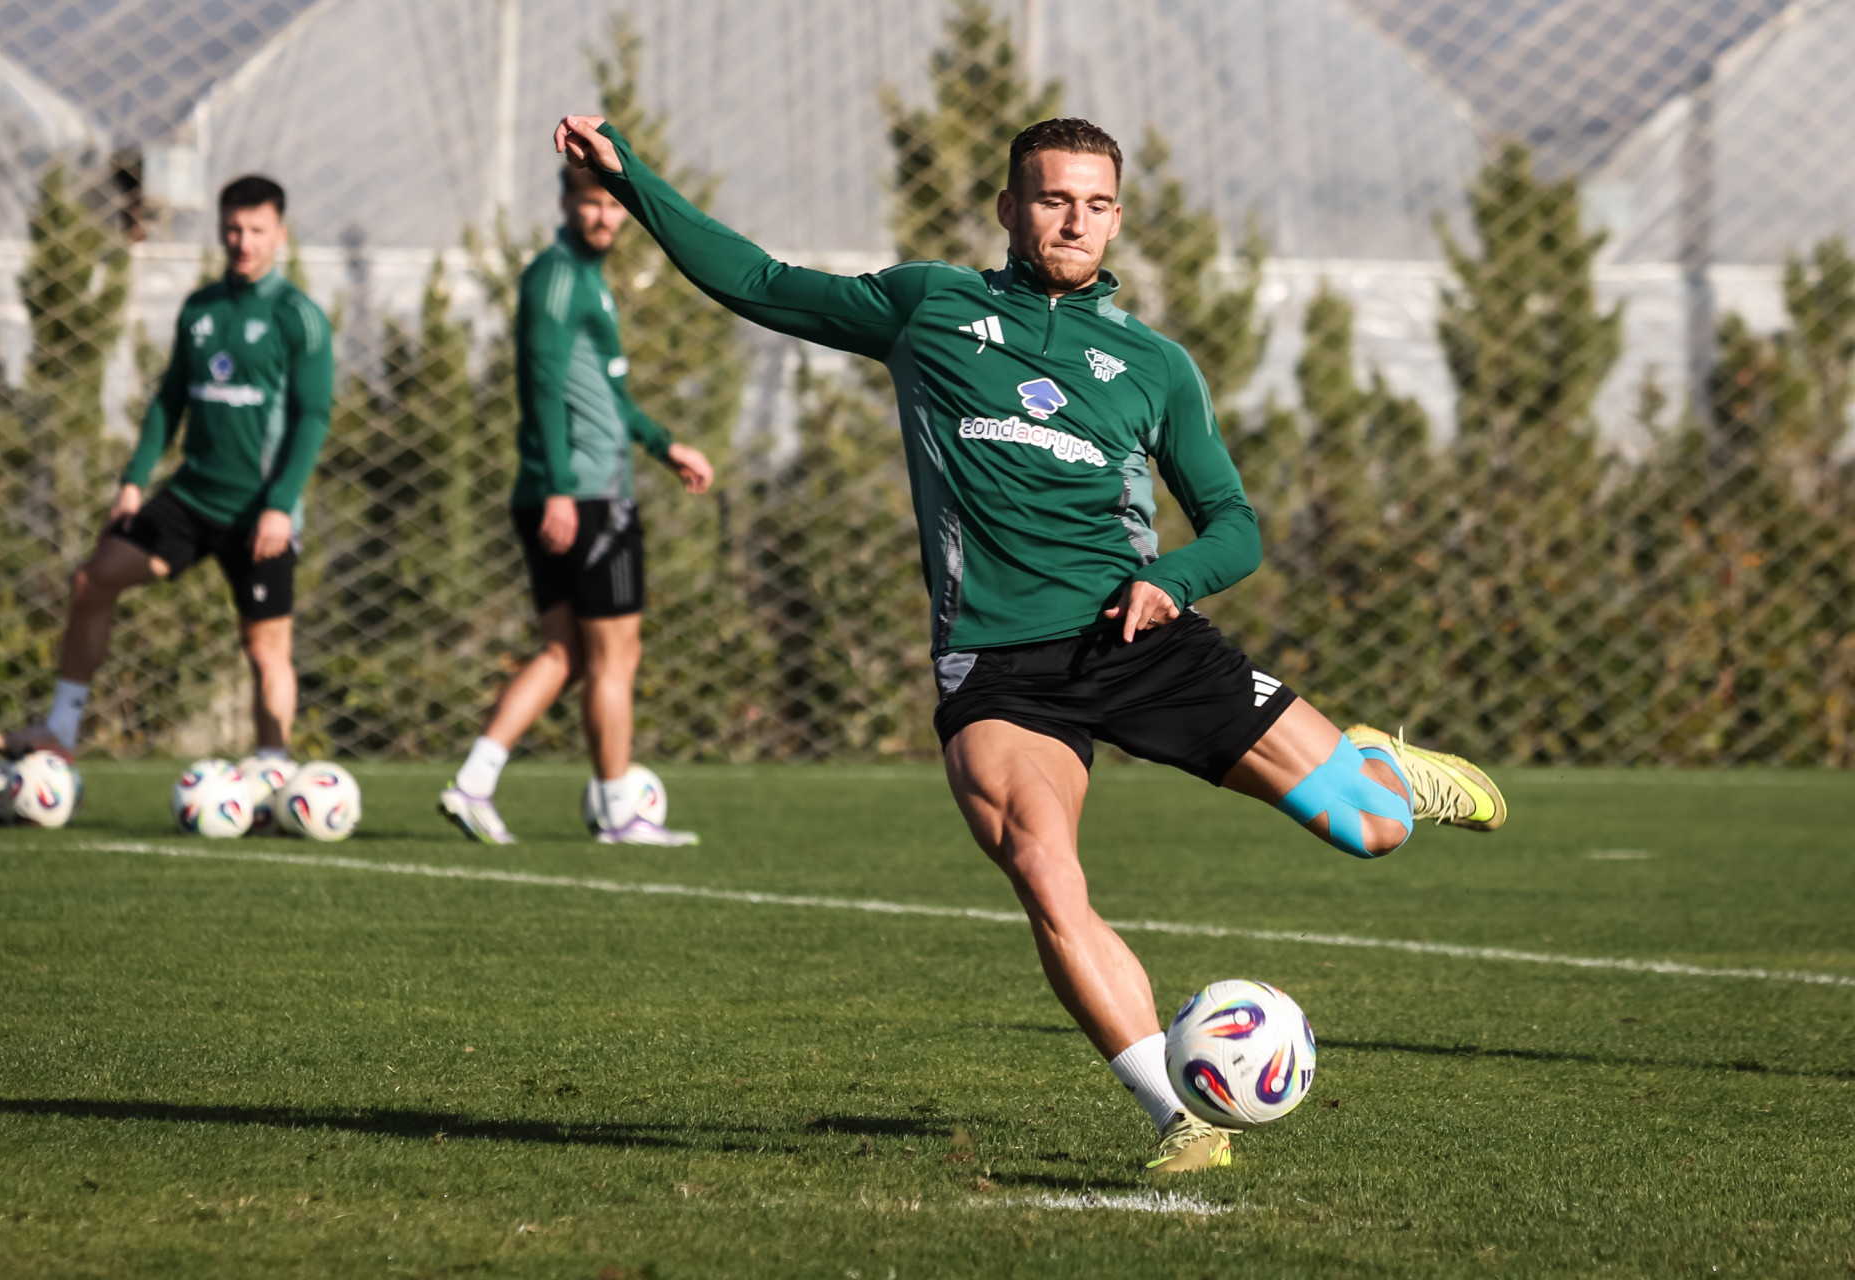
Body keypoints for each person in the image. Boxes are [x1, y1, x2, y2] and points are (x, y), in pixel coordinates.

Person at [552, 112, 1506, 1171]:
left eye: (1097, 205)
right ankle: (1181, 1119)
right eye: (1054, 199)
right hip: (1000, 666)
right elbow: (759, 282)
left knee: (1373, 828)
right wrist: (630, 177)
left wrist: (1168, 581)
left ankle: (1385, 768)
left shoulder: (1156, 365)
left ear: (1118, 218)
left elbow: (1236, 526)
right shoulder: (928, 307)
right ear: (1010, 208)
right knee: (1045, 871)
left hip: (1140, 640)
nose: (1075, 222)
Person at [0, 175, 332, 766]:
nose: (243, 241)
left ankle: (272, 771)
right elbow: (170, 399)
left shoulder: (299, 316)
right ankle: (59, 731)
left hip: (259, 513)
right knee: (92, 581)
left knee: (265, 649)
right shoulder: (201, 308)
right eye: (233, 228)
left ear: (281, 235)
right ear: (220, 228)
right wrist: (133, 482)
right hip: (191, 499)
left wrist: (280, 506)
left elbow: (313, 418)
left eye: (256, 230)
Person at [438, 163, 715, 847]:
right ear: (565, 202)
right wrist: (560, 487)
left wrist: (664, 446)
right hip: (585, 494)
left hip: (573, 490)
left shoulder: (586, 279)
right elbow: (541, 383)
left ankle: (473, 782)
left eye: (613, 206)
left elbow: (607, 395)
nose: (604, 217)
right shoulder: (559, 276)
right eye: (590, 203)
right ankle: (620, 813)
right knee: (615, 657)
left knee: (564, 653)